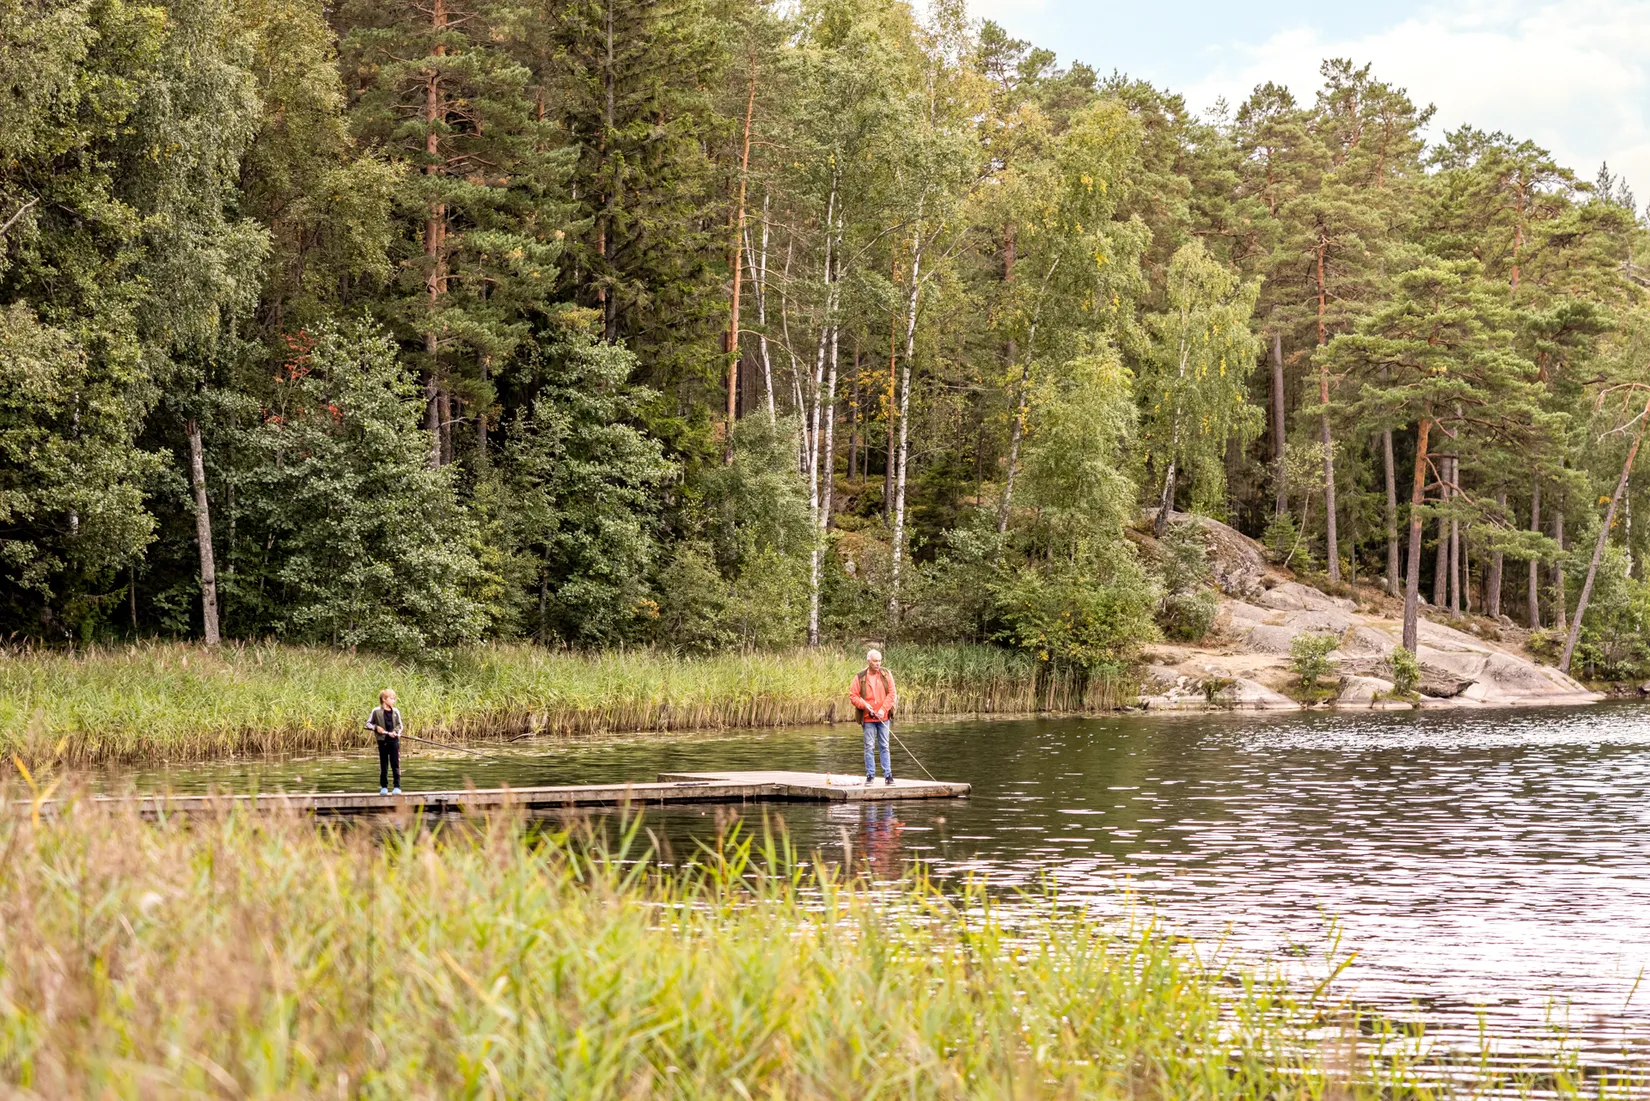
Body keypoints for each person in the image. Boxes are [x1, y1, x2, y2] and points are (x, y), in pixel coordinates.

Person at [849, 649, 898, 785]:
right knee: (869, 747)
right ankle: (870, 775)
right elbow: (853, 695)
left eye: (879, 661)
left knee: (885, 746)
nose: (878, 663)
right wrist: (864, 706)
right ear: (868, 661)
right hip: (868, 718)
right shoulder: (860, 677)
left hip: (884, 717)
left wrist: (883, 710)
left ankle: (888, 776)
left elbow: (892, 694)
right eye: (875, 661)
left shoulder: (886, 674)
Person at [365, 688, 404, 795]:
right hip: (382, 741)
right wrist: (376, 728)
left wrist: (395, 732)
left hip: (394, 741)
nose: (393, 701)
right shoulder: (376, 711)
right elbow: (368, 724)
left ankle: (397, 786)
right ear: (384, 699)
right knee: (384, 764)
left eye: (394, 699)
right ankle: (384, 787)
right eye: (391, 698)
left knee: (395, 764)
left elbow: (400, 725)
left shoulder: (396, 711)